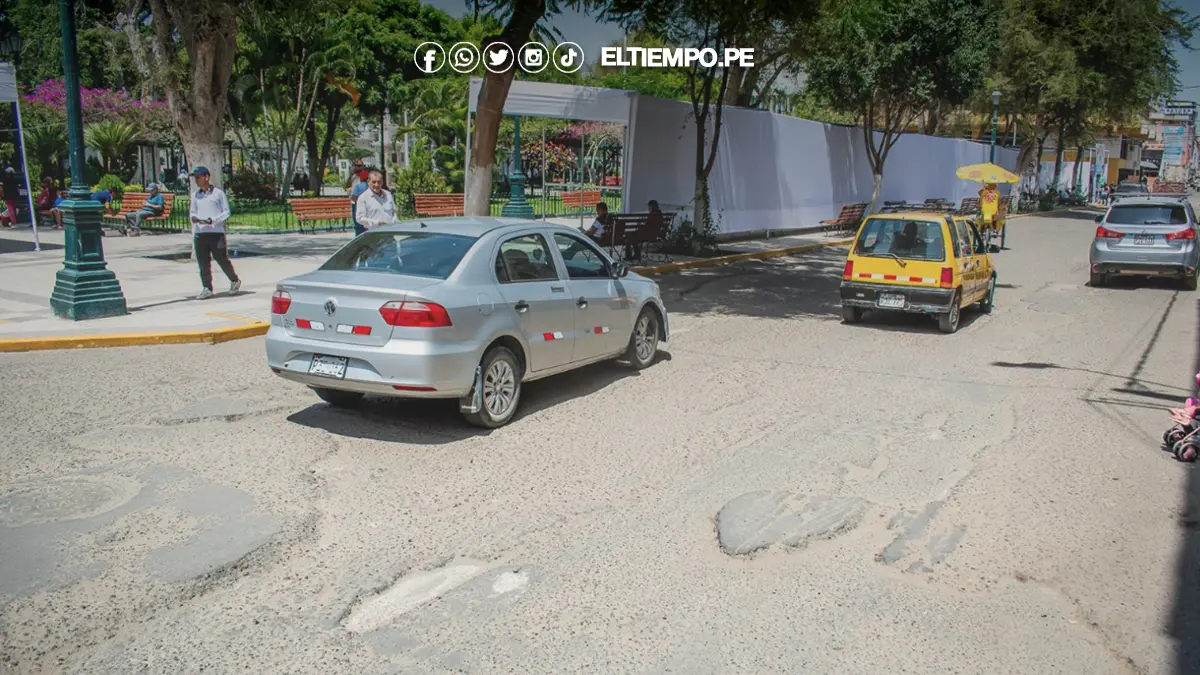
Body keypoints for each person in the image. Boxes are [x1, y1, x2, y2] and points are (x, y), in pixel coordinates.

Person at [189, 166, 241, 299]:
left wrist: (213, 220)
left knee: (221, 259)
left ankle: (234, 280)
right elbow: (192, 212)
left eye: (198, 177)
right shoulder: (195, 195)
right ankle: (207, 287)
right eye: (195, 178)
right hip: (200, 233)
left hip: (216, 233)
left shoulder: (218, 194)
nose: (196, 180)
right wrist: (194, 218)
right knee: (203, 262)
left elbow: (226, 212)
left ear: (206, 177)